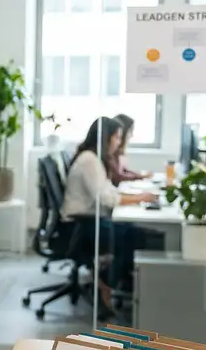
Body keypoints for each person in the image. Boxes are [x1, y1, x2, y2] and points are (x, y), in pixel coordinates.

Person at [61, 117, 157, 311]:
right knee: (130, 233)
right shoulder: (89, 161)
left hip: (87, 220)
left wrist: (136, 197)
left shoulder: (94, 159)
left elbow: (109, 192)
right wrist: (139, 198)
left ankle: (117, 281)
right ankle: (107, 283)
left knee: (131, 230)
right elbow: (106, 198)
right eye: (117, 137)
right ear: (106, 138)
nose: (119, 142)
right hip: (79, 226)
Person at [109, 114, 150, 185]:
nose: (132, 135)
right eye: (130, 131)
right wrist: (140, 177)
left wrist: (141, 176)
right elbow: (118, 176)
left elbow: (124, 171)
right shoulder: (111, 152)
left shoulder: (119, 152)